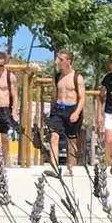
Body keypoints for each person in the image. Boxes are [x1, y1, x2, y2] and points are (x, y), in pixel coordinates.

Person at [46, 49, 85, 177]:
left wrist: (77, 113)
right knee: (54, 137)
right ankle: (54, 168)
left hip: (72, 109)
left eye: (61, 60)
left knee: (71, 140)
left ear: (69, 61)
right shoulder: (57, 76)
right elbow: (55, 95)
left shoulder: (77, 77)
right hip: (58, 109)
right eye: (58, 59)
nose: (58, 62)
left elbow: (82, 98)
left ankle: (70, 167)